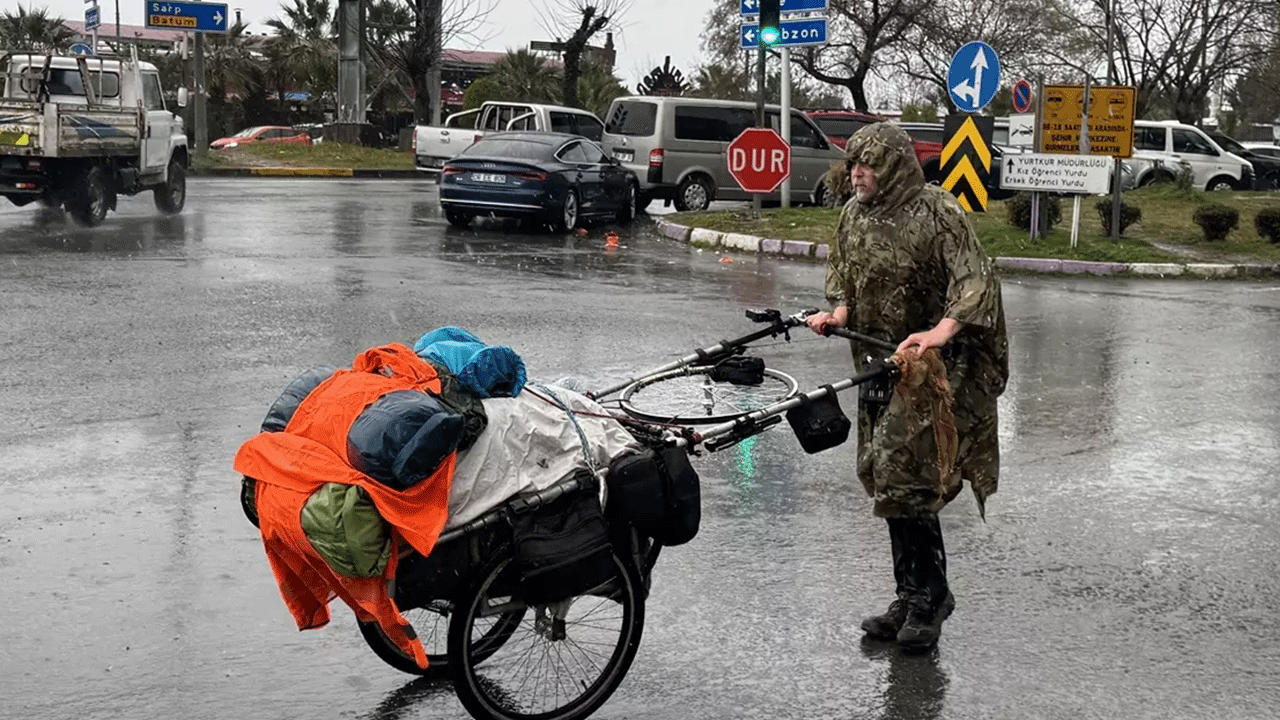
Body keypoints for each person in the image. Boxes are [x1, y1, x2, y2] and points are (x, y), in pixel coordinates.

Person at [806, 122, 1008, 650]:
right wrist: (838, 311)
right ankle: (911, 591)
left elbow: (974, 281)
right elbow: (845, 272)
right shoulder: (853, 215)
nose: (856, 174)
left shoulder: (937, 211)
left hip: (930, 368)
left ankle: (930, 598)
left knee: (908, 476)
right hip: (878, 363)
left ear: (893, 166)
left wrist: (938, 334)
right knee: (884, 472)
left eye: (866, 165)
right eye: (852, 165)